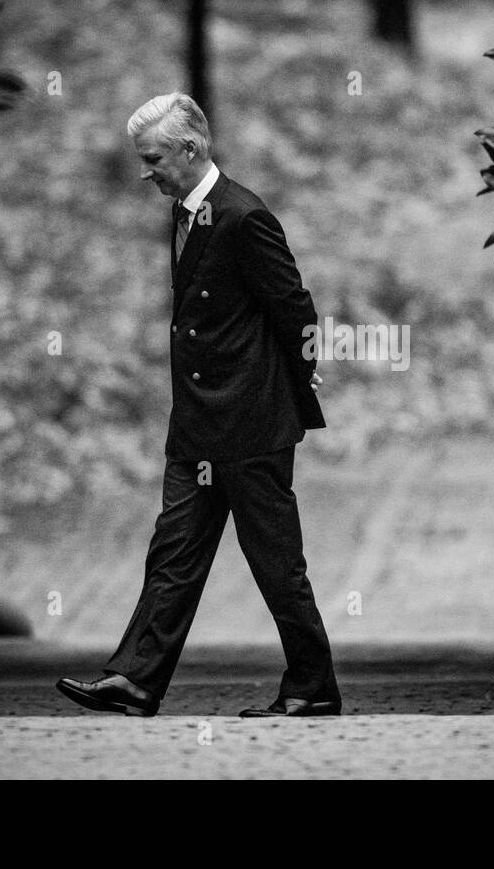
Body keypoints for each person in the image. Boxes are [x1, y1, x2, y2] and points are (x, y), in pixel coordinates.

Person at [56, 93, 341, 718]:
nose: (145, 171)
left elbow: (294, 309)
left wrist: (300, 381)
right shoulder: (187, 213)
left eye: (153, 157)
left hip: (249, 423)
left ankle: (312, 686)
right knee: (175, 553)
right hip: (198, 423)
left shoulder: (243, 217)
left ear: (190, 149)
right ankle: (134, 680)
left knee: (275, 562)